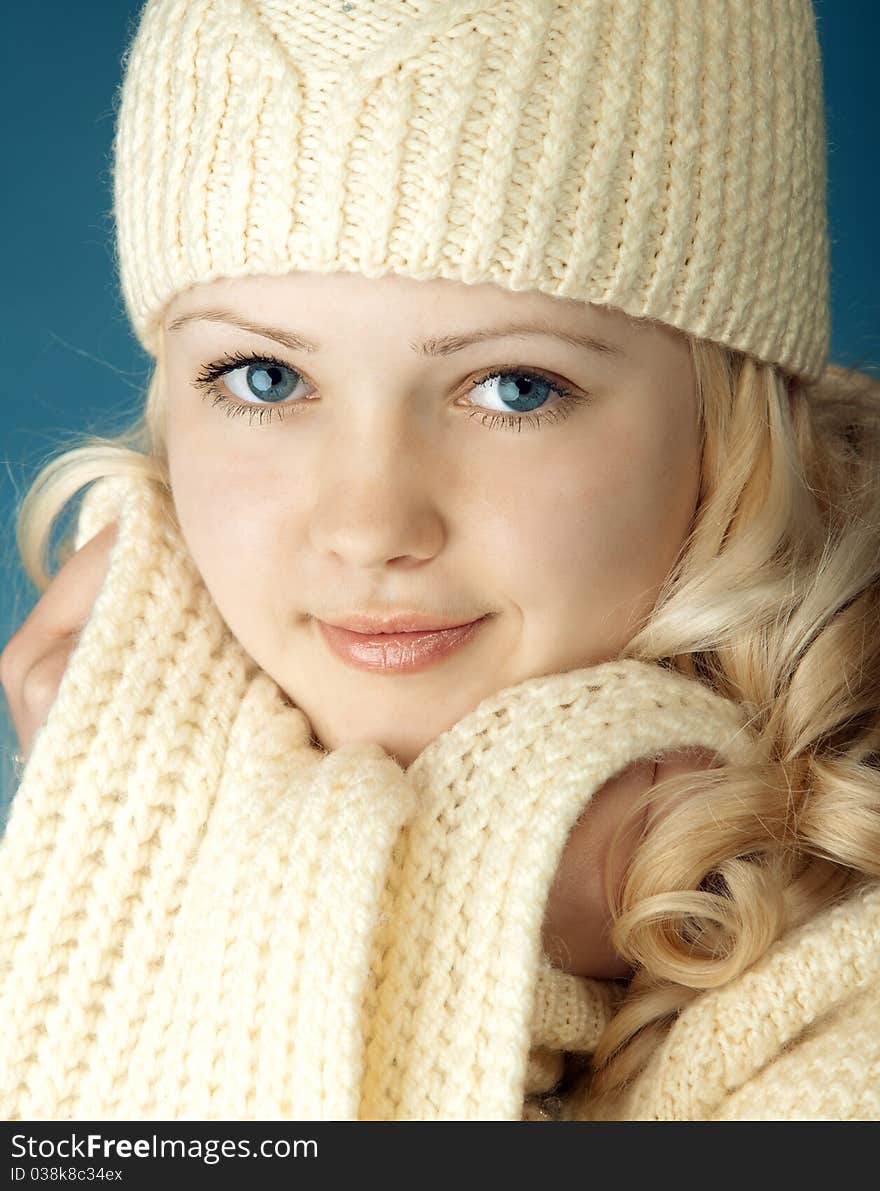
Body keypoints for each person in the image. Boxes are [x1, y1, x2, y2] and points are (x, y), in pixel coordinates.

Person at [0, 0, 878, 1121]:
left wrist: (454, 910)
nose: (368, 528)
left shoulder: (850, 1001)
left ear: (729, 430)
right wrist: (135, 843)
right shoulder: (103, 847)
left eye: (514, 387)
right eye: (265, 378)